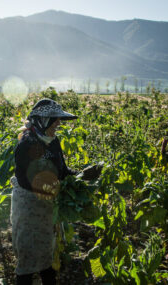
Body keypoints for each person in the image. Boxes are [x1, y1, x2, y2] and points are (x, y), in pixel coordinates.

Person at [10, 99, 101, 285]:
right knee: (27, 255)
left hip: (47, 207)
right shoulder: (27, 143)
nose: (58, 124)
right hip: (28, 206)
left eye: (59, 120)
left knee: (47, 254)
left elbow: (63, 172)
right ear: (42, 121)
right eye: (55, 120)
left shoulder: (53, 142)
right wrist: (54, 187)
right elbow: (26, 180)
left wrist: (83, 175)